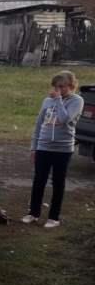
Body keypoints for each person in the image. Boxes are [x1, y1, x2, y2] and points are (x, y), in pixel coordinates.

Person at [23, 70, 85, 229]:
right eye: (55, 87)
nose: (57, 90)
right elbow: (39, 124)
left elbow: (65, 119)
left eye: (61, 87)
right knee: (39, 180)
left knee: (58, 182)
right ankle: (33, 213)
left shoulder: (77, 101)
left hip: (63, 148)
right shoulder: (46, 101)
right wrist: (34, 147)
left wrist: (58, 100)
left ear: (71, 86)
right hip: (44, 146)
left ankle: (54, 217)